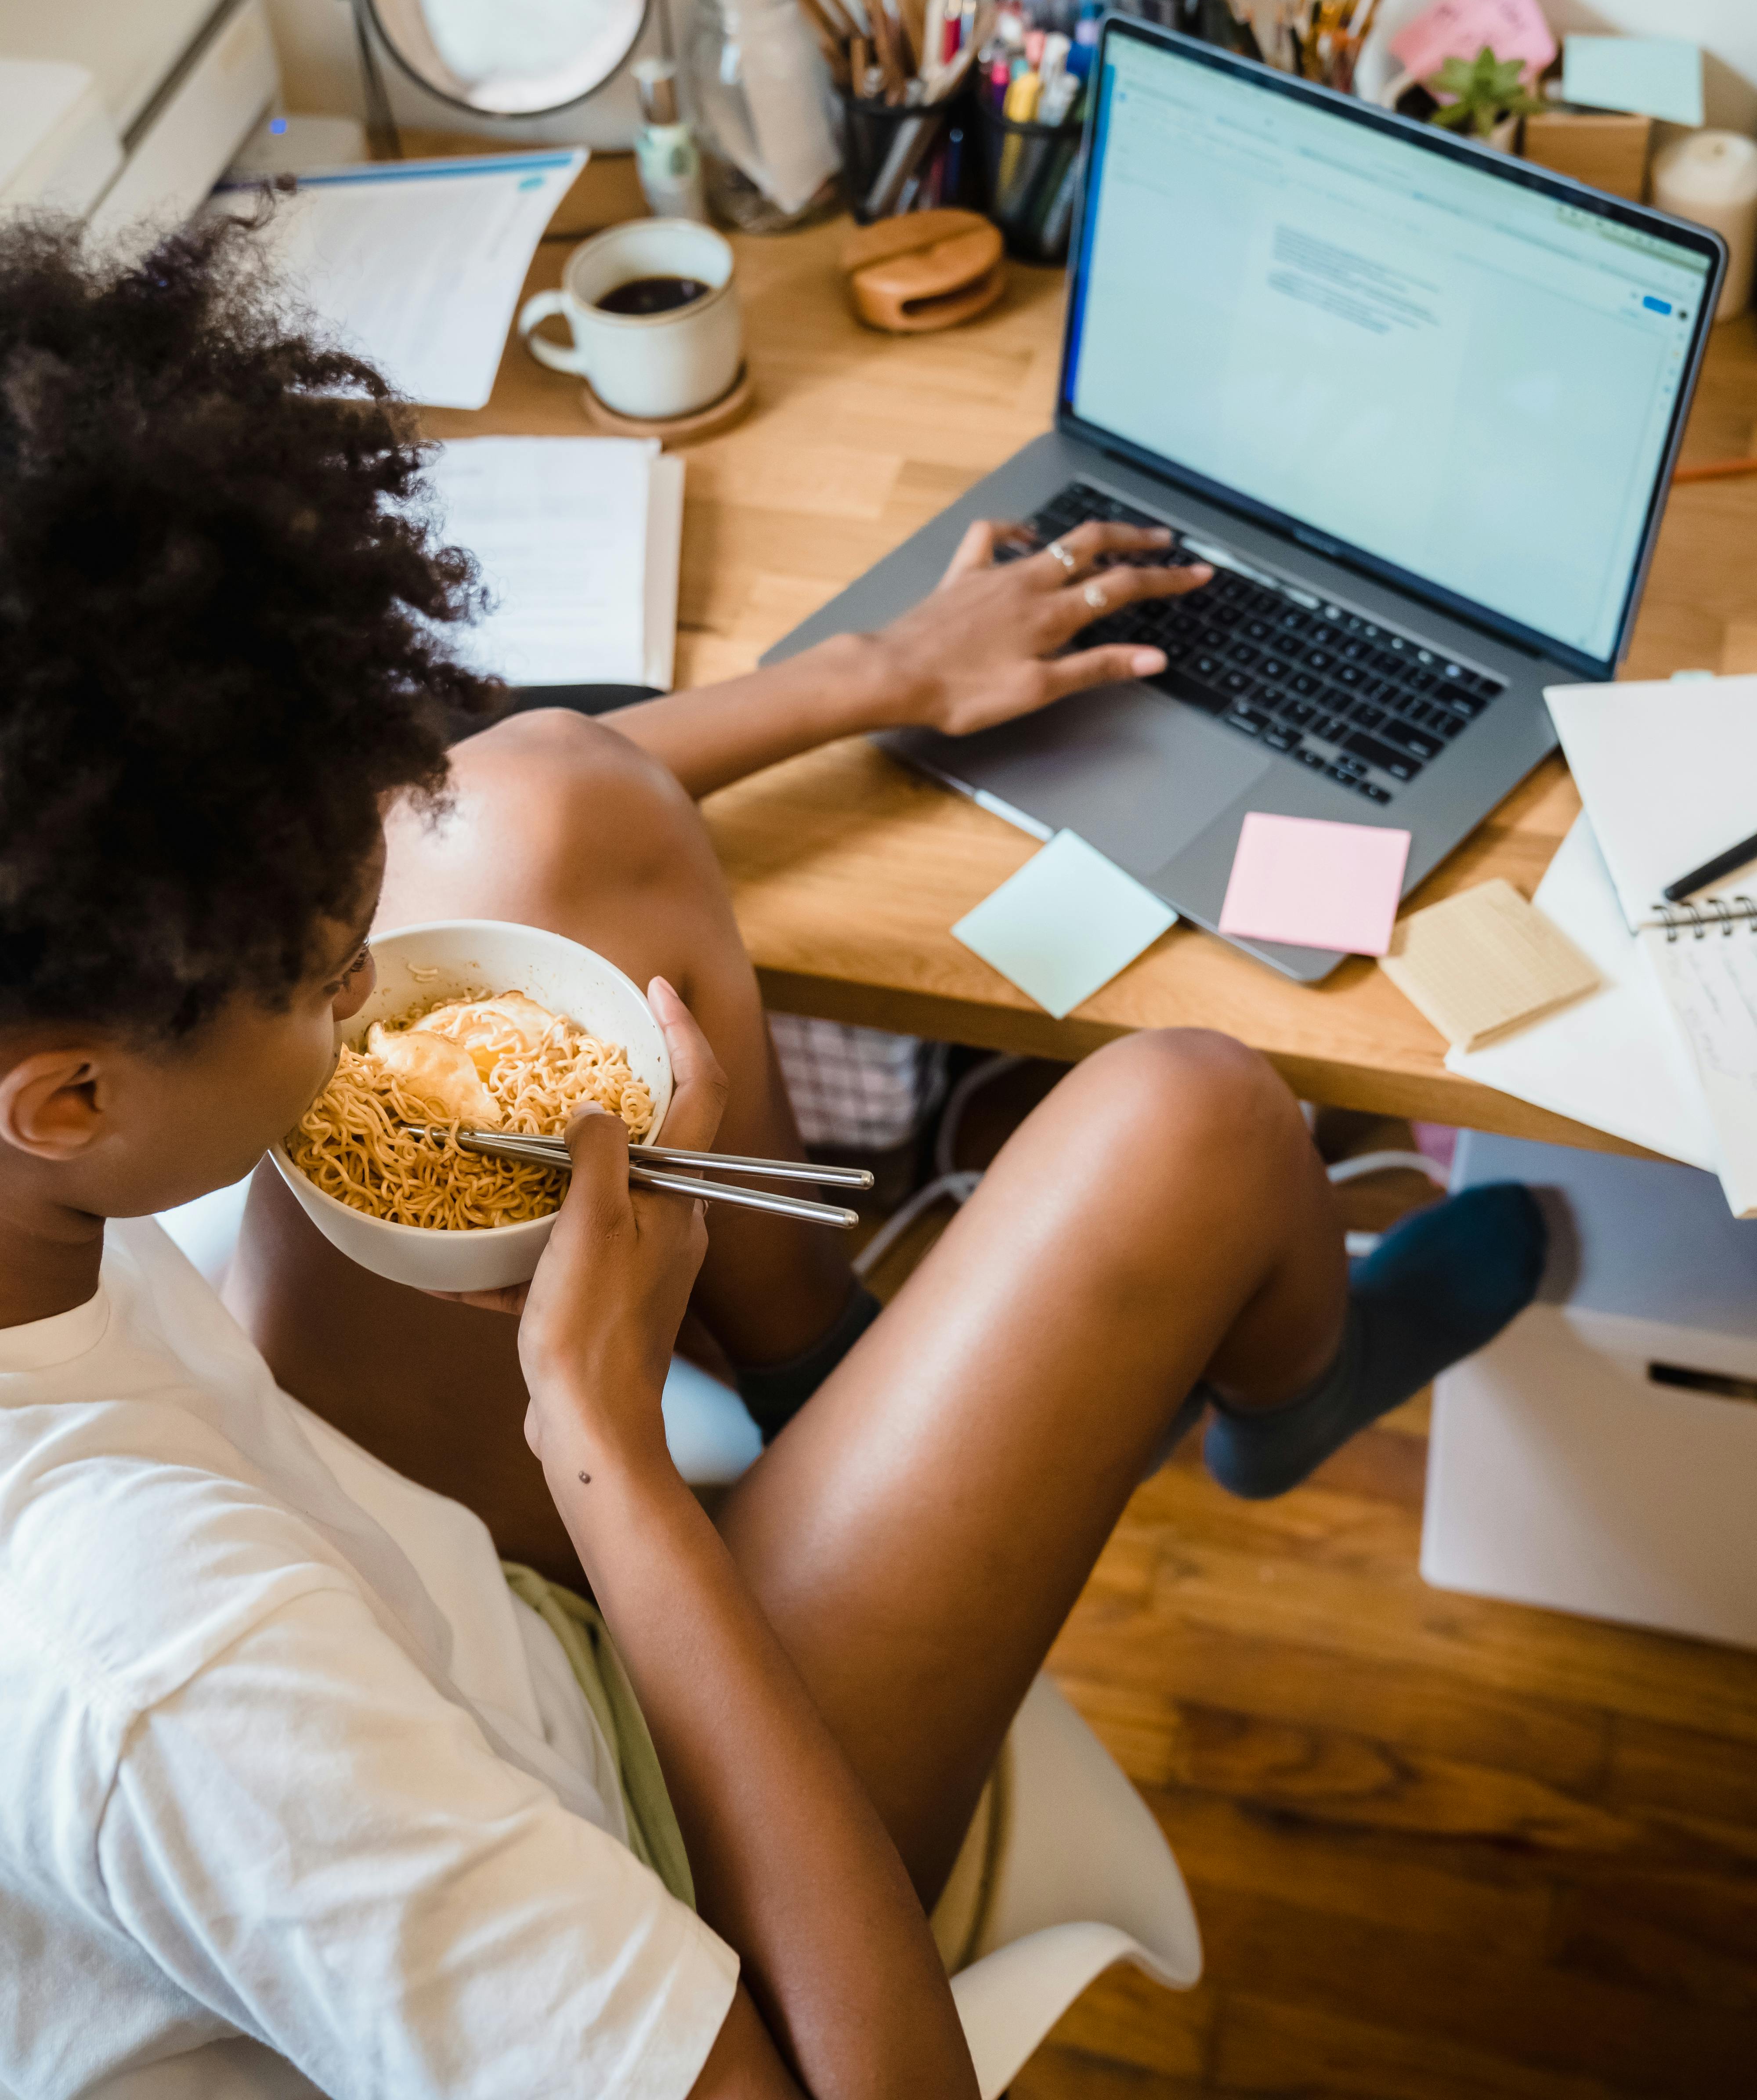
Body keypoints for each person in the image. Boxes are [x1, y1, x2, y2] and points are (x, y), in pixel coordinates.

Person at [0, 213, 1544, 2100]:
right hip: (623, 1836)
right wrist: (611, 1452)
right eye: (331, 978)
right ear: (71, 1101)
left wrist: (874, 673)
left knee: (543, 797)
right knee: (1195, 1115)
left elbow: (464, 814)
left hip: (370, 1546)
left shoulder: (42, 1171)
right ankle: (1291, 1392)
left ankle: (833, 1388)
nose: (369, 994)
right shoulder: (168, 1673)